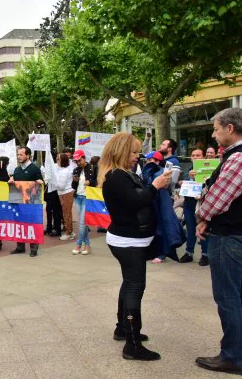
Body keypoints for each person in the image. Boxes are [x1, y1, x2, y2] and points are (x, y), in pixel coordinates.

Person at [99, 132, 171, 361]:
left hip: (128, 238)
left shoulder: (119, 174)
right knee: (134, 287)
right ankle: (132, 343)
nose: (137, 156)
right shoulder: (117, 176)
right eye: (134, 152)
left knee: (129, 283)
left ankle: (123, 328)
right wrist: (156, 186)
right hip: (128, 240)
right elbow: (136, 200)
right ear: (121, 151)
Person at [195, 108, 242, 375]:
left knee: (228, 296)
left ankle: (233, 356)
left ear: (230, 129)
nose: (213, 134)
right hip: (232, 233)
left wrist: (203, 215)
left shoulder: (237, 158)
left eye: (216, 128)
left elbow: (218, 197)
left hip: (230, 237)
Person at [9, 147, 44, 257]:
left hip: (32, 203)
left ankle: (34, 247)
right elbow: (15, 184)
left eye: (21, 154)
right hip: (19, 202)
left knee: (32, 223)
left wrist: (40, 182)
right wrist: (11, 182)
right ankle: (20, 246)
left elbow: (41, 183)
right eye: (18, 154)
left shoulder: (35, 169)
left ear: (28, 155)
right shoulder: (17, 170)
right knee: (19, 223)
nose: (19, 156)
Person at [178, 148, 208, 266]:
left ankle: (205, 254)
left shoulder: (208, 170)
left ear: (203, 157)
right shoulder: (188, 170)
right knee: (190, 229)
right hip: (189, 203)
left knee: (203, 230)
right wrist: (187, 179)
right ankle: (189, 253)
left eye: (198, 155)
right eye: (193, 155)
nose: (195, 157)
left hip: (202, 203)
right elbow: (180, 183)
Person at [71, 150, 97, 255]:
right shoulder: (76, 170)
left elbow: (98, 181)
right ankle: (87, 244)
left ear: (84, 158)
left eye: (79, 160)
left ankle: (78, 244)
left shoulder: (93, 168)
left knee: (82, 222)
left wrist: (90, 182)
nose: (78, 163)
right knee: (83, 223)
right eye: (76, 161)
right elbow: (73, 186)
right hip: (78, 197)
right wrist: (75, 181)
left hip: (88, 197)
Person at [56, 153, 75, 241]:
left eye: (58, 159)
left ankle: (69, 233)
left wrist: (53, 182)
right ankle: (69, 232)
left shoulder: (65, 171)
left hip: (66, 193)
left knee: (66, 213)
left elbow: (61, 186)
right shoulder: (63, 169)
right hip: (63, 193)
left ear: (62, 160)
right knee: (66, 213)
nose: (56, 160)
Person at [44, 151, 62, 238]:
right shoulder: (53, 166)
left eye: (59, 159)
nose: (57, 160)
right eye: (57, 159)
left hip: (57, 192)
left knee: (56, 211)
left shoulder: (63, 169)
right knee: (48, 210)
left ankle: (57, 228)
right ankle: (48, 227)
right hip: (49, 191)